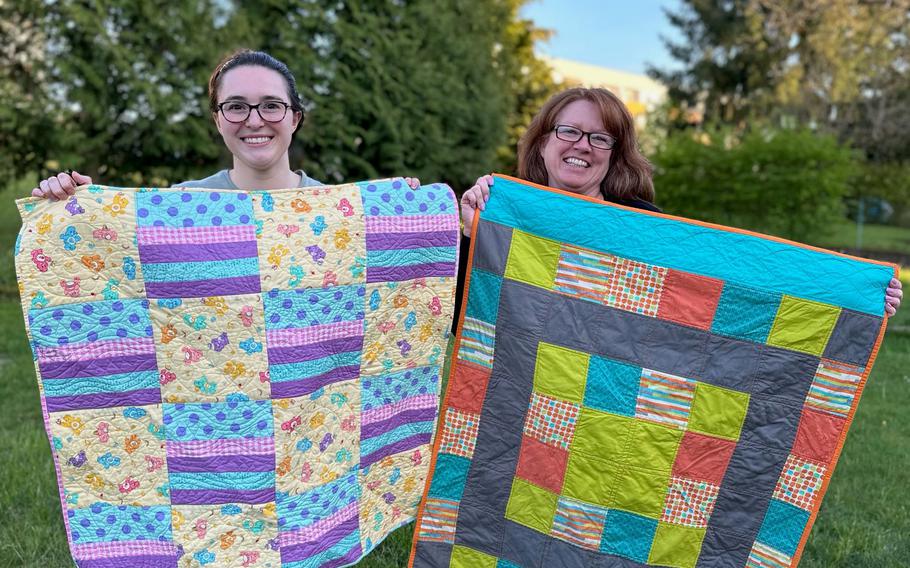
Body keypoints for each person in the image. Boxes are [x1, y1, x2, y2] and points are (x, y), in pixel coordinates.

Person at [457, 86, 902, 317]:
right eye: (569, 131)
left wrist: (852, 294)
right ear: (542, 143)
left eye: (599, 137)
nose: (582, 145)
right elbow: (458, 312)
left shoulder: (644, 227)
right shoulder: (499, 212)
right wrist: (467, 232)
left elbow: (732, 285)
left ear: (615, 154)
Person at [31, 49, 419, 196]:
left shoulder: (335, 208)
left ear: (295, 118)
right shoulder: (182, 203)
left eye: (271, 105)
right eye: (236, 107)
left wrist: (406, 211)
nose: (254, 121)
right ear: (218, 120)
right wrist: (75, 205)